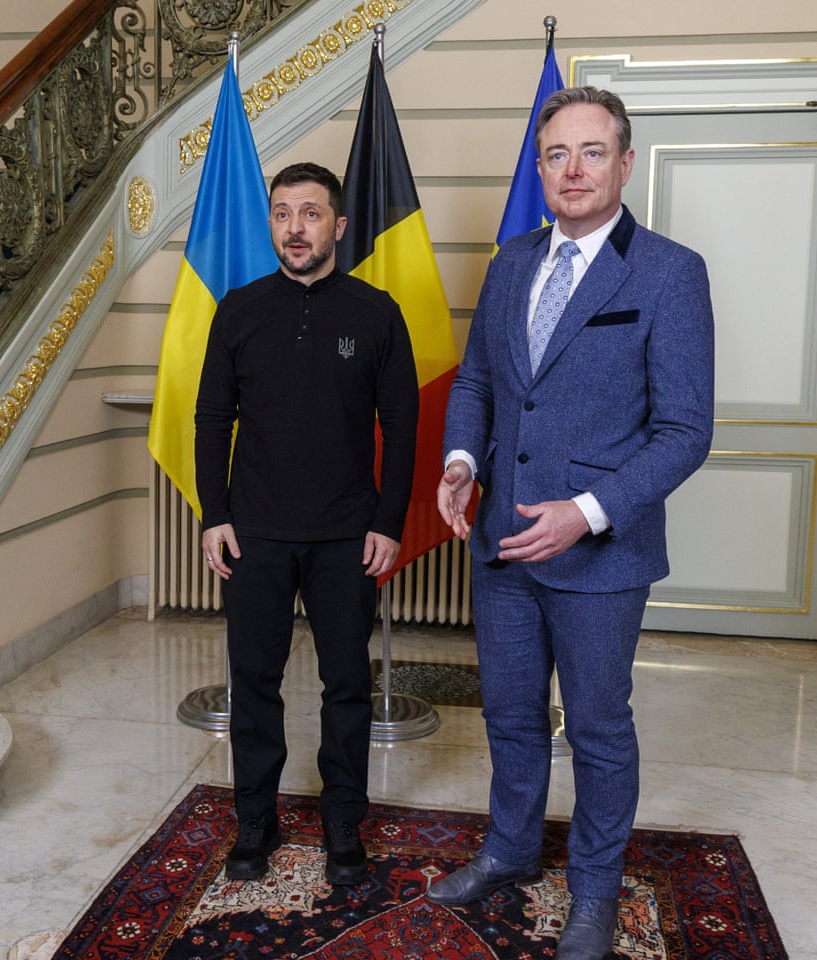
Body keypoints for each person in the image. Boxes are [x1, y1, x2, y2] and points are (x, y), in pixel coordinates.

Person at [428, 87, 714, 959]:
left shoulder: (669, 271)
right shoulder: (511, 262)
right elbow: (478, 380)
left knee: (596, 726)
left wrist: (585, 514)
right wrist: (460, 463)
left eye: (593, 152)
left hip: (602, 558)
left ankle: (594, 891)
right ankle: (510, 852)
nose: (574, 170)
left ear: (625, 163)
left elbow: (686, 432)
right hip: (502, 549)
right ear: (540, 167)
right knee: (510, 717)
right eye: (557, 154)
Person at [195, 161, 419, 886]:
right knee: (253, 682)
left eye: (311, 213)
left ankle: (343, 826)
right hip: (254, 533)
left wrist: (388, 521)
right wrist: (214, 515)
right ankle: (255, 822)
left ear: (338, 226)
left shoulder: (377, 311)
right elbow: (210, 418)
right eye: (283, 213)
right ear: (272, 225)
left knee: (347, 684)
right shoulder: (237, 308)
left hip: (347, 536)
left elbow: (405, 423)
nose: (296, 227)